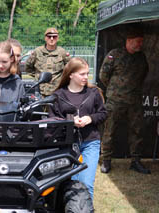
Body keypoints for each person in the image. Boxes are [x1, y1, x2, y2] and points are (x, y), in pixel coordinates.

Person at [49, 57, 107, 201]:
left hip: (90, 143)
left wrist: (90, 118)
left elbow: (103, 113)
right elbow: (52, 120)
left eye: (87, 73)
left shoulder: (93, 93)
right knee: (71, 184)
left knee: (87, 183)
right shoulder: (58, 96)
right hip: (67, 145)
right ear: (70, 75)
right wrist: (70, 122)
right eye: (82, 74)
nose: (86, 77)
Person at [99, 27, 151, 174]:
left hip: (134, 101)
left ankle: (135, 161)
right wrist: (115, 90)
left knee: (137, 131)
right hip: (115, 100)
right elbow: (103, 76)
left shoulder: (141, 57)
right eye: (138, 41)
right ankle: (106, 161)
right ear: (129, 41)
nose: (140, 44)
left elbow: (144, 74)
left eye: (141, 41)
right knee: (109, 130)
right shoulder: (114, 55)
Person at [25, 27, 71, 97]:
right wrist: (38, 76)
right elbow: (28, 66)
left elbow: (69, 69)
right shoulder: (37, 52)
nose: (52, 39)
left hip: (56, 91)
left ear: (57, 38)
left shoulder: (62, 53)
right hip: (40, 91)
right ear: (45, 38)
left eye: (54, 37)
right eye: (49, 36)